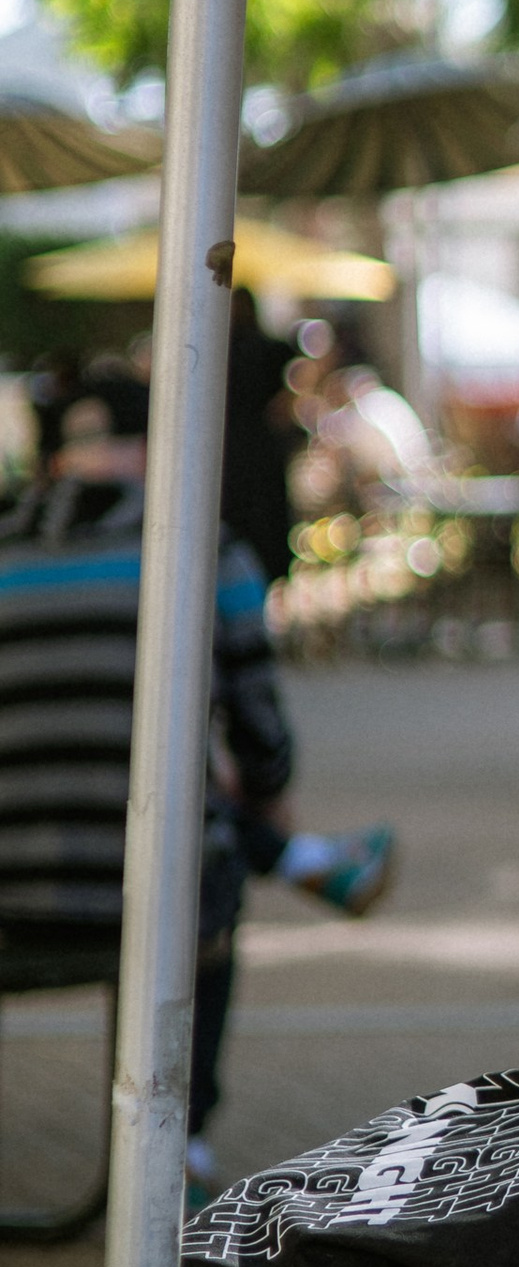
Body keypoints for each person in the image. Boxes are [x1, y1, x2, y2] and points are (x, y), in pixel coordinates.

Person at [0, 369, 392, 1191]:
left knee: (154, 792)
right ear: (162, 449)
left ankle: (302, 859)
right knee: (191, 843)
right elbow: (258, 727)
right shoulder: (199, 549)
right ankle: (180, 1138)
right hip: (141, 903)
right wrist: (269, 804)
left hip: (9, 896)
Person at [220, 287, 300, 587]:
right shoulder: (268, 350)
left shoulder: (224, 352)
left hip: (231, 451)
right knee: (264, 531)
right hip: (260, 452)